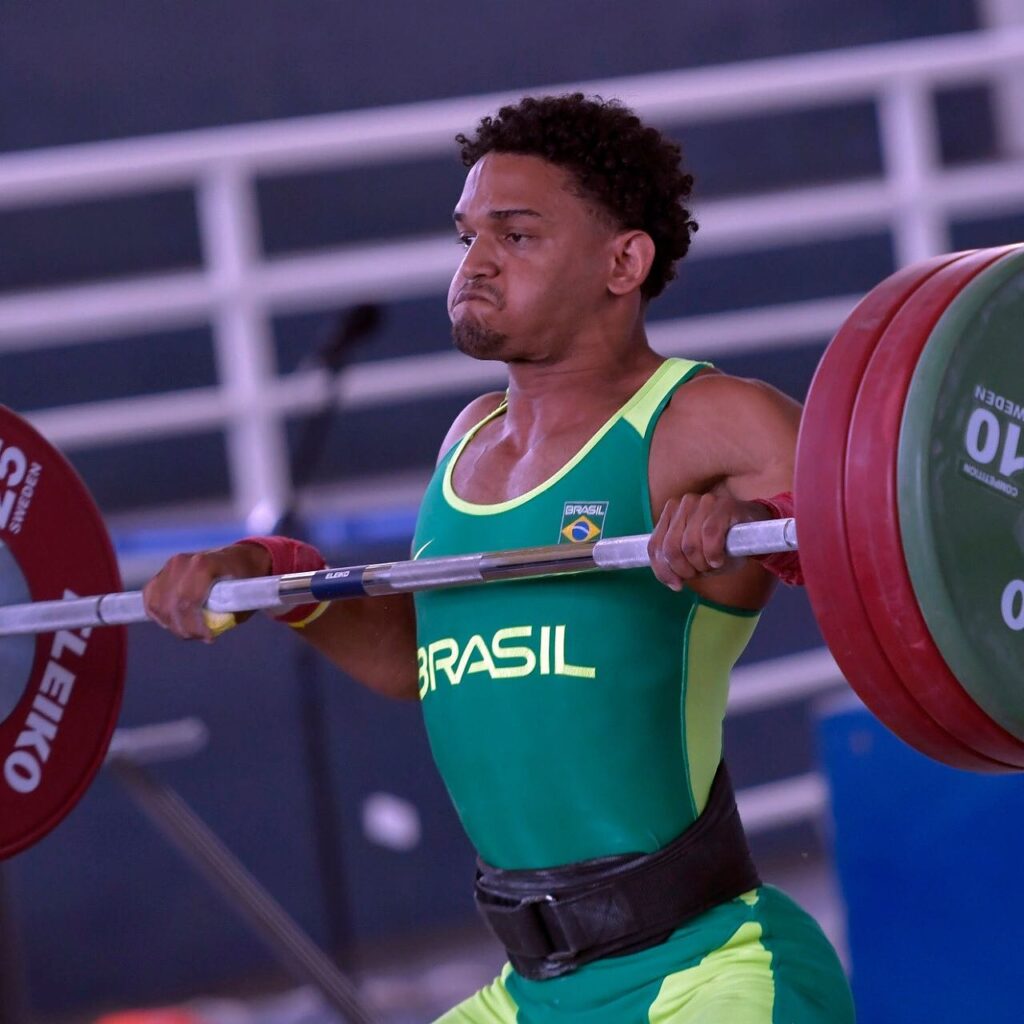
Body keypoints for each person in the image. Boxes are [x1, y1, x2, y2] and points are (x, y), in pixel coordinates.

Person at [144, 94, 856, 1023]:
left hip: (706, 976)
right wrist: (276, 576)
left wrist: (766, 522)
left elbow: (885, 552)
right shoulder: (467, 442)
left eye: (515, 236)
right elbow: (423, 660)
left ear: (623, 261)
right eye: (467, 235)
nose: (475, 262)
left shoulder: (707, 419)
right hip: (531, 993)